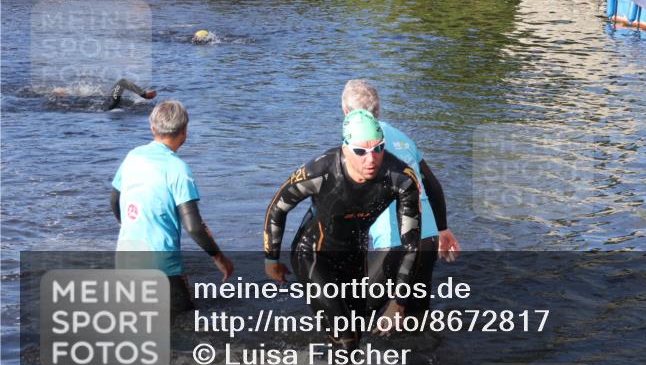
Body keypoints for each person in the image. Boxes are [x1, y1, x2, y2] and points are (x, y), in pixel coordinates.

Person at [263, 109, 421, 348]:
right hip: (313, 254)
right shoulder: (320, 171)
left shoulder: (401, 178)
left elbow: (411, 243)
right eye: (361, 151)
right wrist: (271, 259)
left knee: (356, 338)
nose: (371, 159)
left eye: (378, 148)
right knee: (345, 338)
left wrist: (399, 302)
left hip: (355, 257)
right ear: (345, 148)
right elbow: (277, 208)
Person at [340, 80, 460, 318]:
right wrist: (443, 230)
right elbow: (433, 185)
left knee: (352, 315)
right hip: (426, 238)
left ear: (346, 112)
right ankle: (428, 355)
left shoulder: (359, 145)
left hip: (395, 243)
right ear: (379, 107)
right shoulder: (402, 137)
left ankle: (334, 356)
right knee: (416, 320)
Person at [112, 100, 234, 313]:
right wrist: (220, 258)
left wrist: (131, 225)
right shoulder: (178, 169)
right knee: (186, 321)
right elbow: (194, 226)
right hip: (161, 263)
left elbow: (114, 201)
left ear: (153, 128)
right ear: (184, 131)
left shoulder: (133, 156)